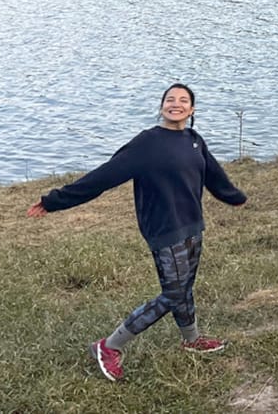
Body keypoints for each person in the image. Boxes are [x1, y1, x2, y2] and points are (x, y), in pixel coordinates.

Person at [27, 83, 247, 382]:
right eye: (170, 99)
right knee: (172, 294)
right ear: (162, 107)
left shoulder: (194, 140)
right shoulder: (147, 143)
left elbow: (213, 175)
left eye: (183, 100)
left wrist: (234, 197)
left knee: (183, 288)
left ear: (192, 109)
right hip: (164, 229)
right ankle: (109, 346)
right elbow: (102, 176)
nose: (176, 104)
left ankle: (192, 340)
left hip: (193, 225)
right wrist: (54, 201)